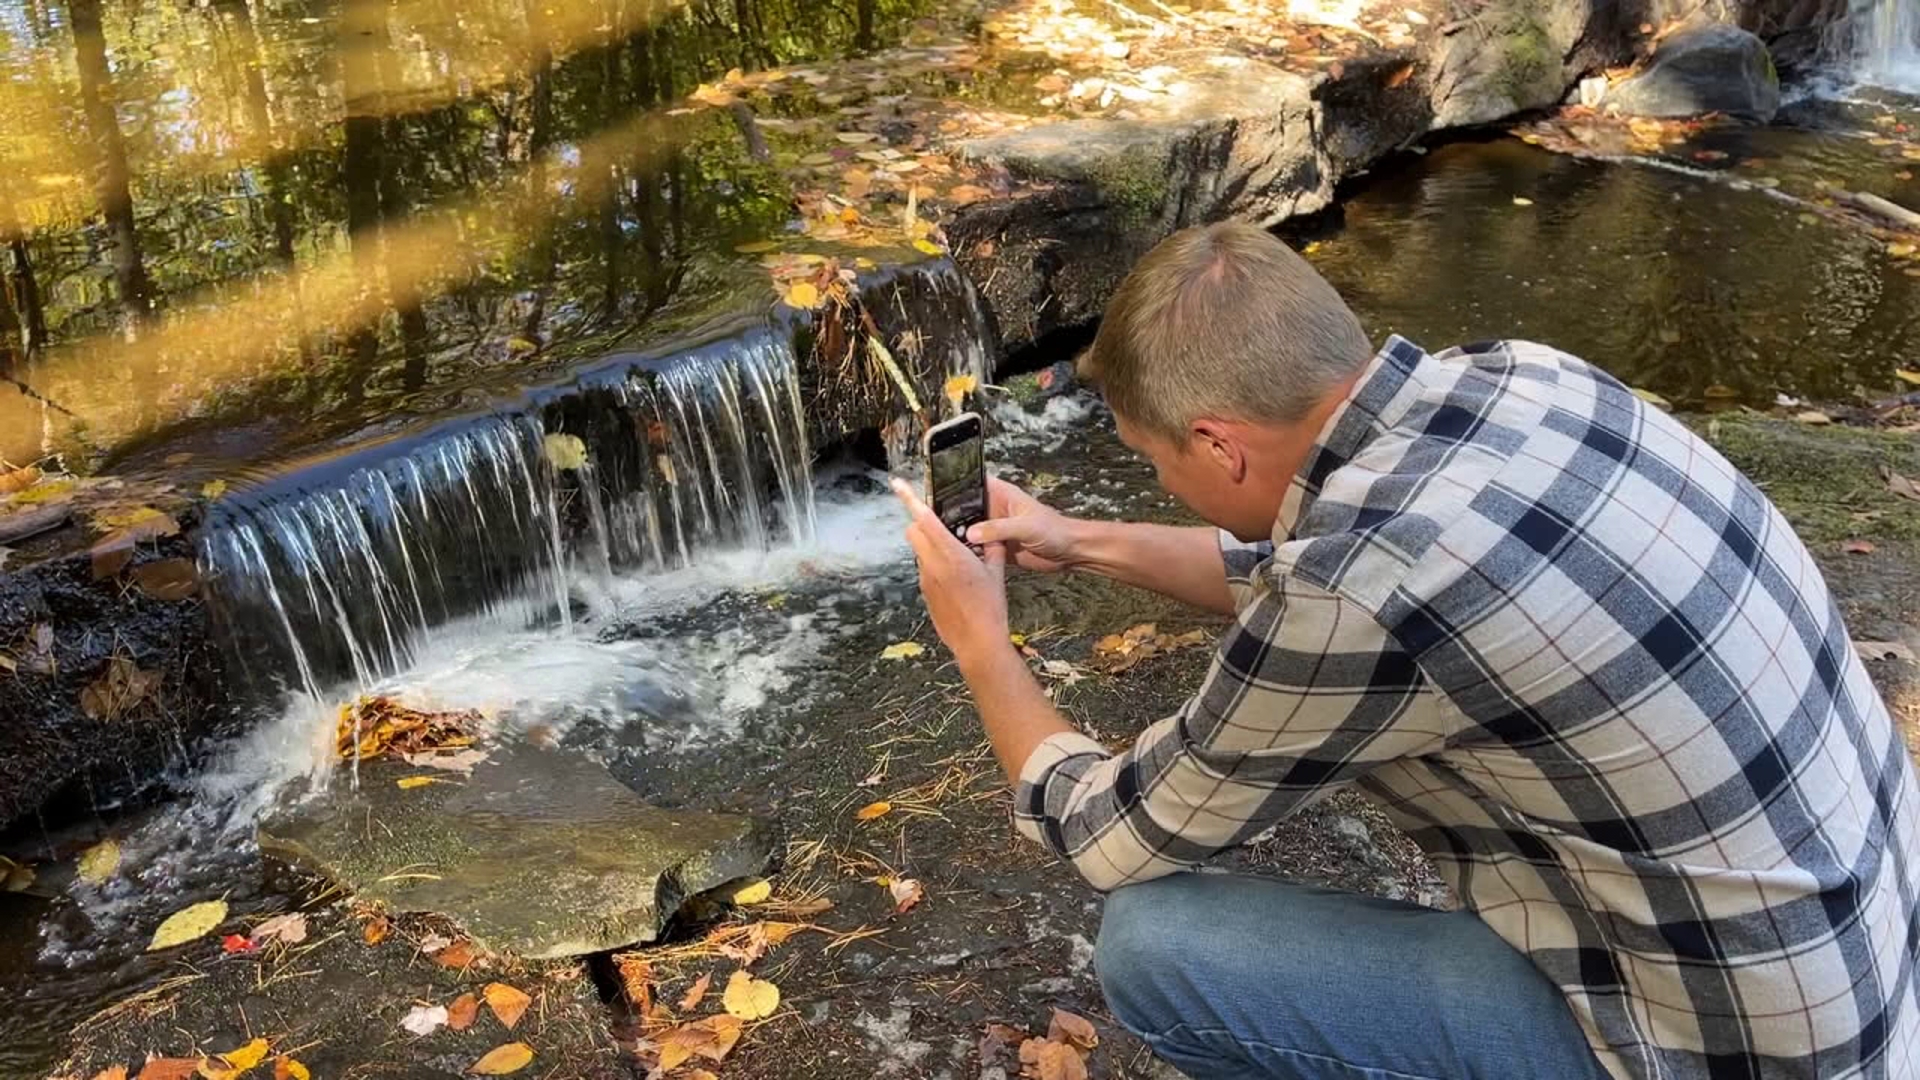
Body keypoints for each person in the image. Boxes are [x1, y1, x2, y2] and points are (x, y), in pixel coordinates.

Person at [887, 221, 1920, 1079]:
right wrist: (1082, 542)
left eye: (1156, 463)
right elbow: (1324, 569)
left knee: (1158, 950)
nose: (1163, 486)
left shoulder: (1365, 587)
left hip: (1741, 1057)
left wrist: (982, 643)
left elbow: (1112, 835)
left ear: (1217, 444)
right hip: (1872, 973)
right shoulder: (1522, 379)